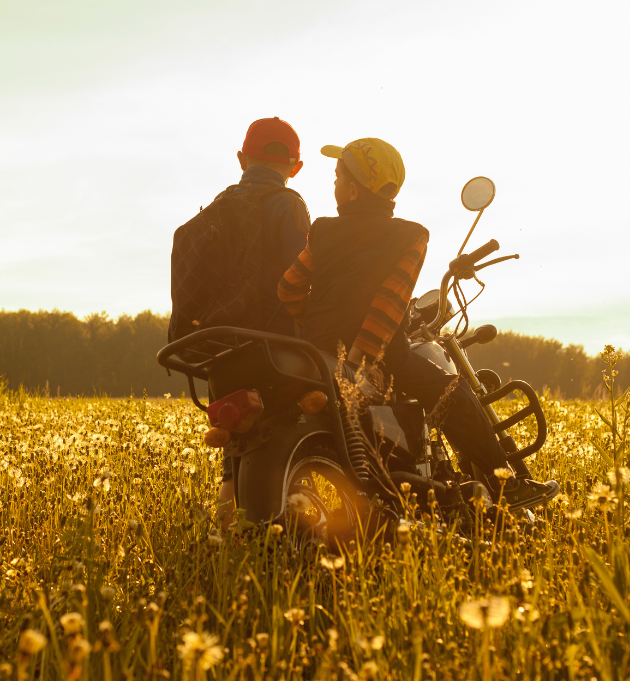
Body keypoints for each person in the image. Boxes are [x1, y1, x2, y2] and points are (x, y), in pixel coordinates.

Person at [277, 137, 559, 510]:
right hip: (376, 356)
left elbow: (288, 288)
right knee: (454, 392)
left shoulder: (324, 229)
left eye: (337, 176)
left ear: (354, 189)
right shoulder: (411, 236)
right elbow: (388, 306)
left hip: (316, 352)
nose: (334, 184)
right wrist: (360, 358)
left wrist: (317, 324)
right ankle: (504, 483)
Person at [175, 117, 311, 524]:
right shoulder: (290, 205)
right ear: (295, 167)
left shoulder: (216, 212)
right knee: (294, 436)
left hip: (218, 353)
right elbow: (304, 277)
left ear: (240, 159)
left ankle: (226, 541)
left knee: (235, 453)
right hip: (275, 353)